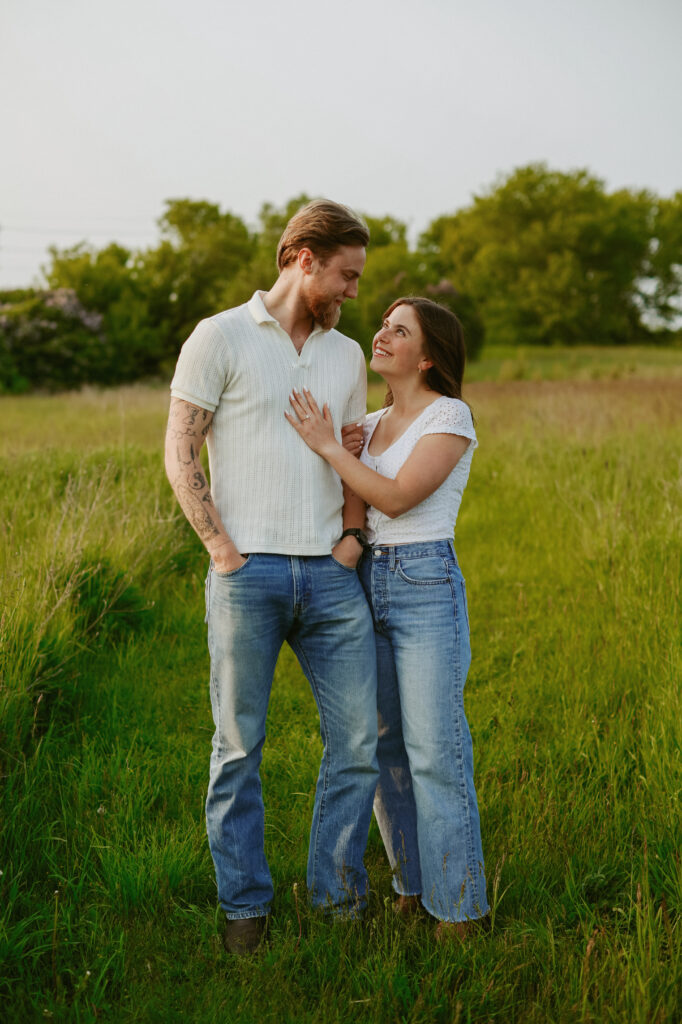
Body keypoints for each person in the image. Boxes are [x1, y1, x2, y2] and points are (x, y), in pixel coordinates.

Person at [165, 200, 379, 955]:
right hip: (246, 574)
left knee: (358, 741)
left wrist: (352, 538)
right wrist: (222, 550)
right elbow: (181, 452)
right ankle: (244, 908)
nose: (353, 292)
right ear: (302, 258)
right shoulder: (218, 336)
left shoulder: (346, 356)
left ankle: (335, 899)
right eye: (346, 276)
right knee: (237, 749)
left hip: (330, 574)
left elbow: (352, 454)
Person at [286, 296, 489, 937]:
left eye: (398, 331)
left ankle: (460, 910)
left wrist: (328, 448)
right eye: (382, 324)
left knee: (436, 749)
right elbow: (355, 498)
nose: (380, 334)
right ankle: (412, 884)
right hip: (366, 582)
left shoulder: (449, 415)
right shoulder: (368, 425)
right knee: (384, 746)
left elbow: (398, 499)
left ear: (427, 356)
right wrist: (341, 447)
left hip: (425, 581)